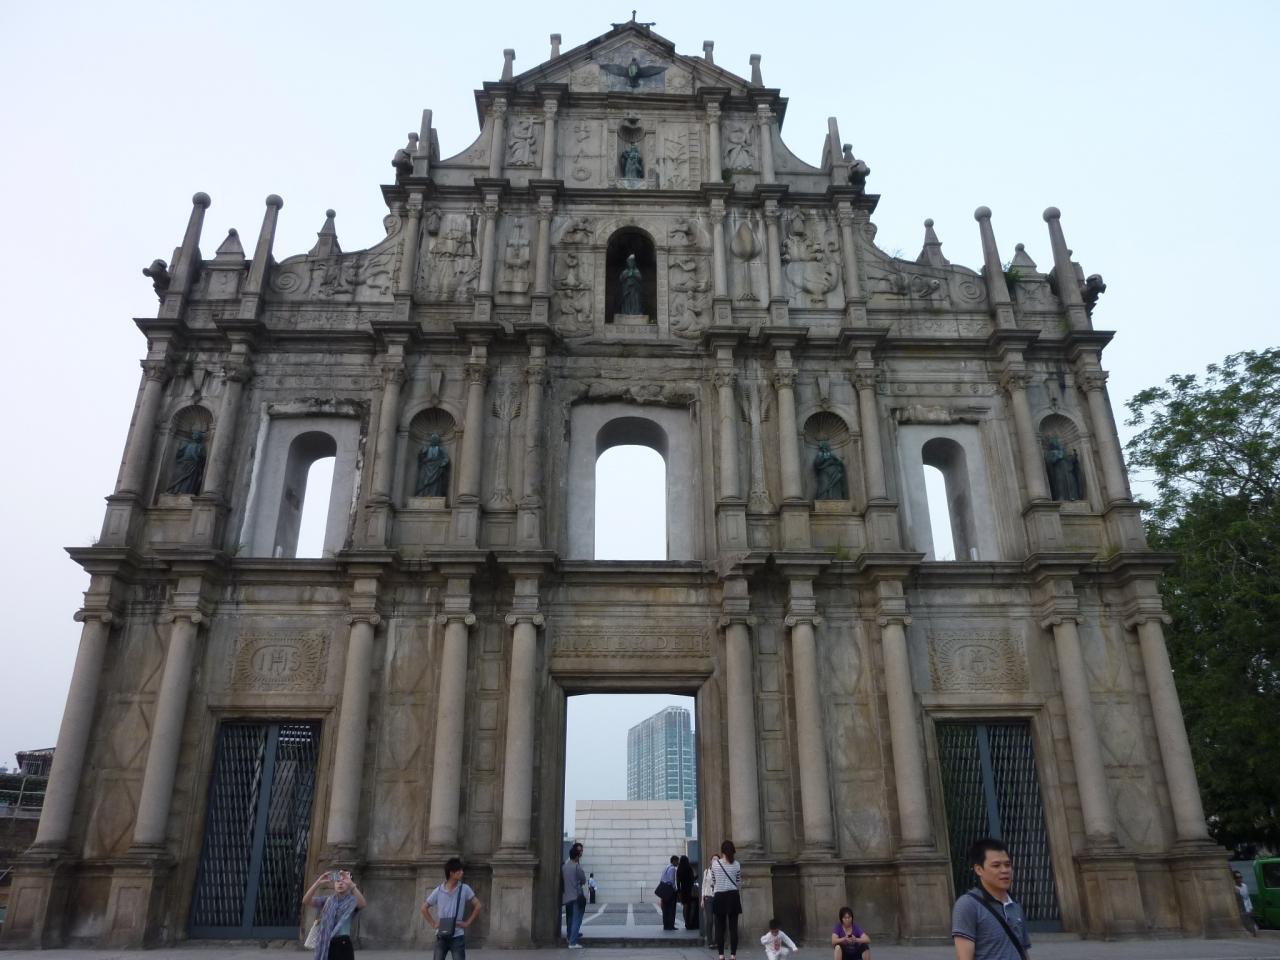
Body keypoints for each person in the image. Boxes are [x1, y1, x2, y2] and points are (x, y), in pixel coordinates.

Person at [952, 837, 1030, 960]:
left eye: (1007, 865)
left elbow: (1022, 951)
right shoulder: (968, 905)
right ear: (979, 869)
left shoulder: (1015, 905)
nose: (1004, 870)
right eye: (996, 865)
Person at [422, 857, 482, 960]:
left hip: (458, 935)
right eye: (459, 870)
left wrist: (467, 923)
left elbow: (478, 905)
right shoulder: (439, 890)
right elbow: (424, 908)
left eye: (462, 870)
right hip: (441, 935)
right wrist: (433, 924)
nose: (462, 872)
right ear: (451, 873)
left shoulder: (464, 888)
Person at [302, 868, 366, 960]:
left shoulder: (352, 902)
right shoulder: (327, 900)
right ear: (334, 884)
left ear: (349, 884)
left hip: (343, 943)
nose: (340, 883)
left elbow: (362, 904)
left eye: (344, 881)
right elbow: (306, 900)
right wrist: (318, 883)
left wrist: (352, 886)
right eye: (338, 881)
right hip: (327, 944)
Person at [711, 840, 744, 960]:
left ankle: (721, 955)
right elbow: (738, 882)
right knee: (733, 928)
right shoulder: (737, 865)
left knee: (720, 928)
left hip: (719, 896)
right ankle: (733, 955)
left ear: (722, 851)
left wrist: (721, 885)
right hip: (733, 896)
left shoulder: (715, 864)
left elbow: (713, 881)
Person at [561, 841, 587, 948]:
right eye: (580, 853)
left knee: (570, 918)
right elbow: (583, 880)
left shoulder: (564, 867)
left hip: (567, 896)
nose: (581, 854)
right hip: (577, 896)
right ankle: (572, 942)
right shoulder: (577, 867)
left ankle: (570, 936)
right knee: (577, 919)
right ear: (576, 856)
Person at [415, 432, 450, 497]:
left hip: (436, 467)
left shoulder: (440, 449)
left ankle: (435, 495)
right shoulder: (426, 449)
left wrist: (442, 463)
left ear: (438, 441)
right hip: (426, 467)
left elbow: (446, 457)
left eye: (435, 439)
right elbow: (421, 457)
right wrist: (421, 454)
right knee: (423, 481)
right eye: (433, 439)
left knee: (436, 483)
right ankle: (423, 494)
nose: (434, 440)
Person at [1234, 870, 1259, 936]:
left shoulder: (1244, 886)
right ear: (1234, 879)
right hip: (1241, 909)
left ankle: (1254, 934)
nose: (1239, 879)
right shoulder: (1235, 888)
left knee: (1252, 924)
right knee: (1247, 925)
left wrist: (1251, 907)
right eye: (1237, 878)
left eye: (1240, 877)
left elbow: (1247, 897)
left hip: (1248, 908)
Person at [659, 854, 679, 930]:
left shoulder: (666, 867)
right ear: (674, 861)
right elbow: (672, 881)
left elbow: (662, 878)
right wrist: (675, 889)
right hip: (670, 891)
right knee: (671, 908)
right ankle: (671, 925)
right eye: (677, 861)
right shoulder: (673, 869)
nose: (678, 863)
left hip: (664, 890)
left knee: (665, 909)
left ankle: (666, 925)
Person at [677, 854, 696, 929]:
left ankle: (686, 922)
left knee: (685, 906)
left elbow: (678, 882)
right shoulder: (689, 868)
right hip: (689, 890)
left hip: (683, 890)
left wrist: (679, 891)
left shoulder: (679, 869)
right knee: (691, 906)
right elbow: (692, 879)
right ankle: (690, 923)